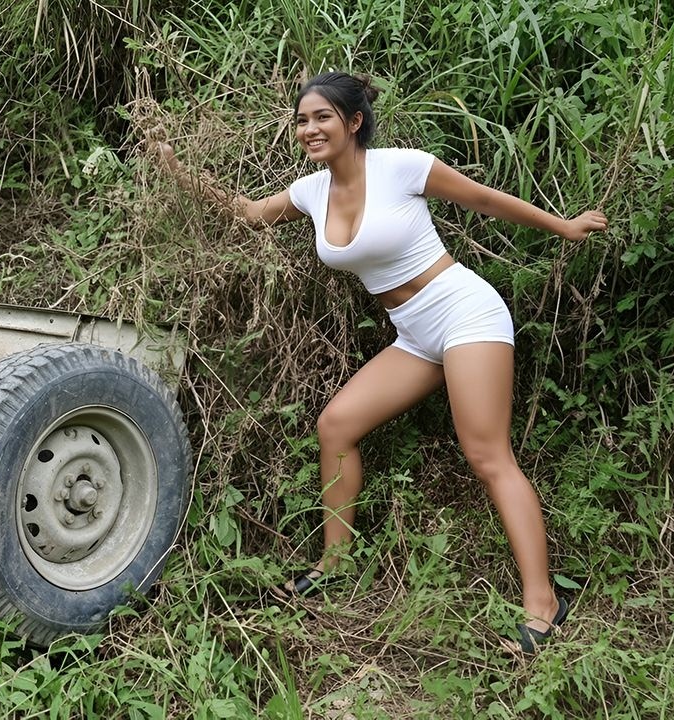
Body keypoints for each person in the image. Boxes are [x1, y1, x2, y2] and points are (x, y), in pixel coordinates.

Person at [151, 71, 607, 653]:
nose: (309, 128)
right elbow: (245, 213)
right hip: (414, 334)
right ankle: (334, 565)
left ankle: (543, 602)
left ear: (354, 121)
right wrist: (176, 169)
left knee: (486, 453)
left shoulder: (403, 167)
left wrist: (563, 227)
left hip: (465, 313)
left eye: (322, 117)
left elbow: (487, 201)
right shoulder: (311, 192)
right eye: (301, 120)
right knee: (336, 426)